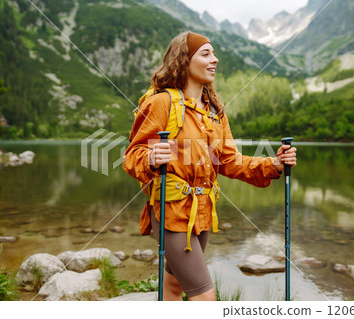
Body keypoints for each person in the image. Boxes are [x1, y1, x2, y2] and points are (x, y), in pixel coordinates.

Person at [123, 31, 297, 301]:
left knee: (173, 286)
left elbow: (229, 160)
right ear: (184, 60)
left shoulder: (214, 111)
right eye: (205, 54)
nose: (214, 60)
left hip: (203, 215)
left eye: (214, 54)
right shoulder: (162, 103)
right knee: (205, 299)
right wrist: (150, 158)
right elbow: (133, 153)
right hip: (171, 214)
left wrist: (272, 164)